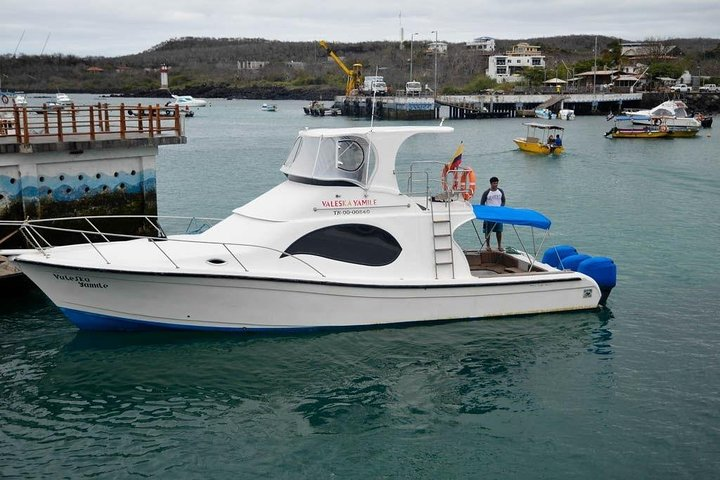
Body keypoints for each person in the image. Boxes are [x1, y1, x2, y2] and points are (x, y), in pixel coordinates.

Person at [479, 176, 506, 251]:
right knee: (488, 231)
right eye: (494, 183)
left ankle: (499, 245)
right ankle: (488, 245)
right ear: (491, 184)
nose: (496, 185)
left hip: (498, 214)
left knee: (499, 231)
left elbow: (503, 201)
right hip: (489, 215)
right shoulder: (487, 192)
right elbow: (482, 203)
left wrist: (501, 208)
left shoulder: (500, 191)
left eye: (497, 183)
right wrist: (486, 212)